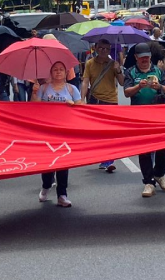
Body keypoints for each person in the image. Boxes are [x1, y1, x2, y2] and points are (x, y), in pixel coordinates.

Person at [123, 50, 165, 197]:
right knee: (144, 149)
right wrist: (139, 86)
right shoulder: (130, 72)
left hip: (158, 114)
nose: (145, 60)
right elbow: (126, 92)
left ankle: (160, 174)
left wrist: (160, 87)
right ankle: (148, 182)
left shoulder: (158, 71)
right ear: (136, 58)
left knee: (163, 145)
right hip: (139, 116)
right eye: (142, 57)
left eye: (147, 57)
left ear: (150, 57)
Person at [35, 61, 83, 207]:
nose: (58, 72)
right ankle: (46, 186)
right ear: (50, 72)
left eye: (61, 69)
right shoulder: (43, 89)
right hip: (47, 131)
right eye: (55, 70)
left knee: (63, 162)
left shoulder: (72, 89)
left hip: (64, 131)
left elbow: (82, 108)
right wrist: (34, 92)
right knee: (48, 162)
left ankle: (62, 194)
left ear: (66, 73)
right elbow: (33, 109)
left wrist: (73, 105)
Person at [80, 38, 126, 173]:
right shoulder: (89, 63)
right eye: (100, 48)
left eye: (106, 49)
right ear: (95, 47)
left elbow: (122, 83)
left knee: (110, 133)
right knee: (98, 133)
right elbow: (85, 82)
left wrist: (118, 70)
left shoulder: (113, 64)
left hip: (111, 100)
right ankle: (103, 157)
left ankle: (109, 160)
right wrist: (82, 99)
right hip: (95, 100)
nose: (103, 51)